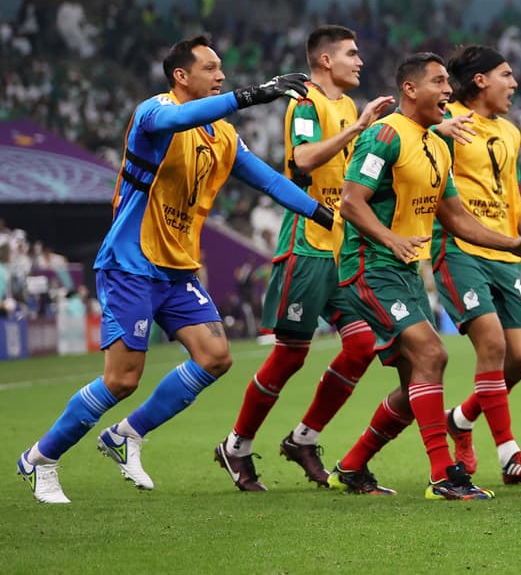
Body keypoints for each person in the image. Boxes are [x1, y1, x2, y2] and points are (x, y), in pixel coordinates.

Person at [18, 36, 329, 504]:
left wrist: (320, 213)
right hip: (130, 264)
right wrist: (251, 94)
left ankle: (127, 434)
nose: (220, 75)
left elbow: (264, 178)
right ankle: (41, 457)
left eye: (222, 68)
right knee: (122, 379)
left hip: (177, 269)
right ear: (181, 76)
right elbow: (180, 118)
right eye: (210, 68)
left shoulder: (222, 134)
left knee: (214, 357)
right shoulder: (154, 114)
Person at [323, 53, 521, 500]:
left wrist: (516, 244)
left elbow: (455, 217)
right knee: (433, 354)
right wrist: (390, 239)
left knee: (414, 382)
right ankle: (444, 475)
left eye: (449, 82)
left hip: (406, 270)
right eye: (438, 82)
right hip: (369, 267)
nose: (448, 90)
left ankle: (352, 467)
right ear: (410, 89)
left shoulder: (434, 144)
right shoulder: (383, 136)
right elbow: (352, 203)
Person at [216, 26, 394, 491]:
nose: (360, 61)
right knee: (291, 356)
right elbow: (302, 160)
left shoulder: (348, 105)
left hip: (343, 245)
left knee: (360, 347)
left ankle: (304, 438)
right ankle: (236, 446)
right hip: (308, 244)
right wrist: (358, 129)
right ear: (325, 61)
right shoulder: (306, 102)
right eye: (351, 54)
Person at [435, 45, 521, 485]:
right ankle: (510, 454)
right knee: (492, 346)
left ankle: (461, 419)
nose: (513, 84)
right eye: (505, 75)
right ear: (480, 81)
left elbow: (511, 193)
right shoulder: (444, 123)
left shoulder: (508, 132)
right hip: (458, 249)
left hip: (503, 252)